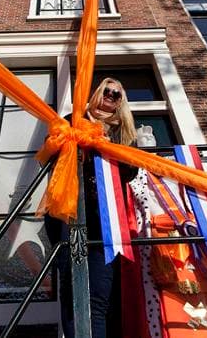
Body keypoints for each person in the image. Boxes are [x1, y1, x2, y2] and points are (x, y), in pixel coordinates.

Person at [45, 77, 138, 338]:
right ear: (97, 93)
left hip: (105, 218)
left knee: (99, 293)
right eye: (106, 91)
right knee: (72, 290)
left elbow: (131, 171)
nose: (110, 95)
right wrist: (80, 136)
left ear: (121, 102)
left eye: (116, 94)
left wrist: (107, 144)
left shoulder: (124, 133)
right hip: (72, 213)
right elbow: (50, 150)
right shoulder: (73, 120)